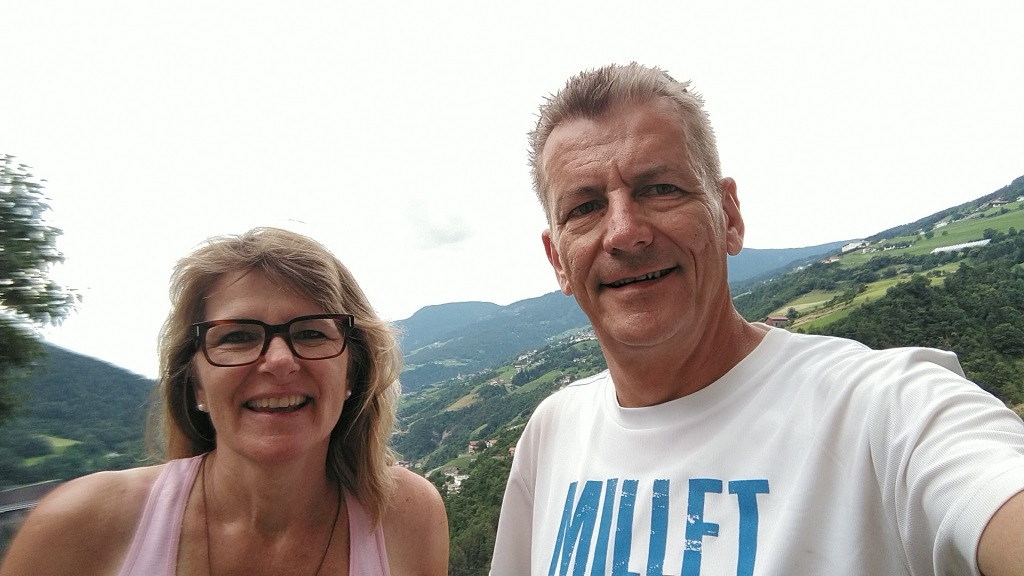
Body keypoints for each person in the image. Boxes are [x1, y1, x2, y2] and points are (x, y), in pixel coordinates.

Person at [490, 62, 1024, 575]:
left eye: (660, 189)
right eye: (585, 208)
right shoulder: (551, 434)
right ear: (558, 260)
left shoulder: (883, 411)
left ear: (729, 216)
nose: (625, 232)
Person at [1, 227, 448, 576]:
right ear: (196, 383)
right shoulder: (81, 524)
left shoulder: (407, 516)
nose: (279, 361)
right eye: (237, 336)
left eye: (312, 332)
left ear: (352, 372)